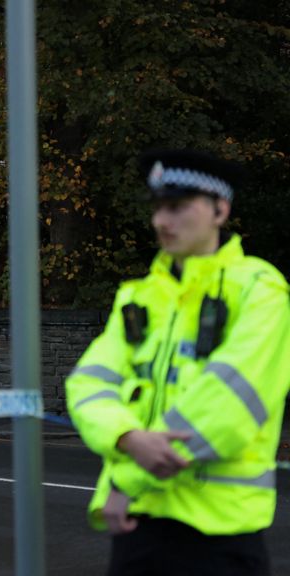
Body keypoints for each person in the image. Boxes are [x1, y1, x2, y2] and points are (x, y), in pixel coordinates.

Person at [65, 149, 290, 575]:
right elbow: (87, 386)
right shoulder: (137, 296)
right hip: (141, 529)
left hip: (218, 534)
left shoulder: (260, 290)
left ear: (220, 210)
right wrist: (128, 436)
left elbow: (226, 409)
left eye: (177, 207)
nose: (160, 222)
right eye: (157, 208)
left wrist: (124, 481)